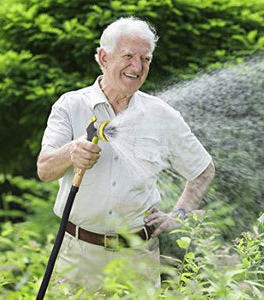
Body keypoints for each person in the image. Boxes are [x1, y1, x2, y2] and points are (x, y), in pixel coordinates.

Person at [37, 16, 215, 290]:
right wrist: (70, 152)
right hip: (78, 255)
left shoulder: (161, 114)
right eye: (129, 56)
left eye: (146, 59)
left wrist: (178, 214)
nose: (137, 67)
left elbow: (203, 169)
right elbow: (45, 169)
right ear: (103, 58)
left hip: (138, 257)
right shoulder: (70, 106)